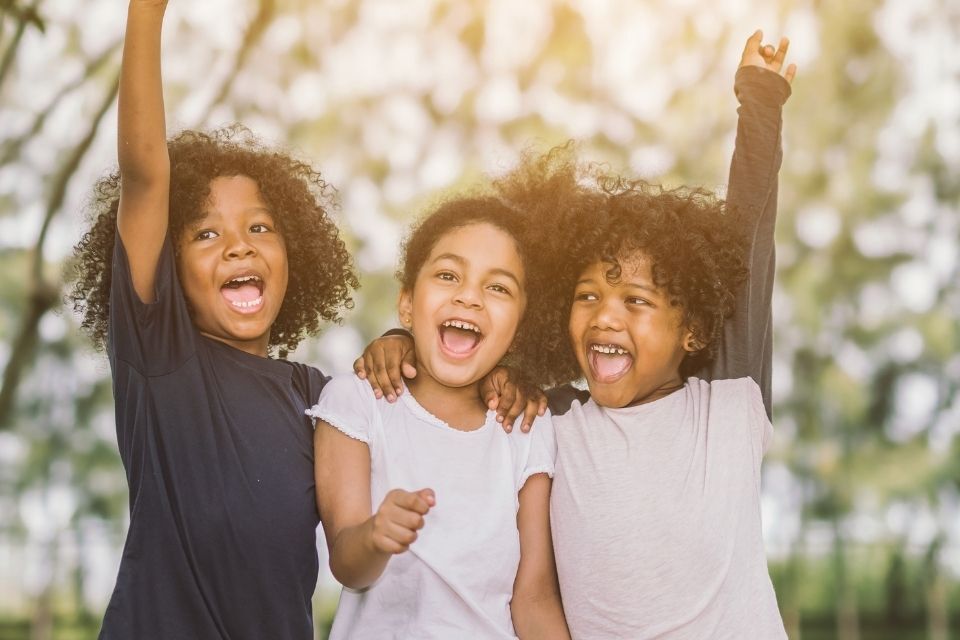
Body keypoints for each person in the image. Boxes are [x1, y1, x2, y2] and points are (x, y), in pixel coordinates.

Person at [357, 30, 796, 639]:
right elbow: (467, 340)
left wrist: (761, 101)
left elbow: (750, 231)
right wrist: (398, 340)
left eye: (636, 300)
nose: (604, 316)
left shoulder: (727, 400)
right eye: (586, 295)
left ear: (693, 328)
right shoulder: (551, 420)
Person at [68, 2, 412, 637]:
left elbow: (361, 518)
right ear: (168, 268)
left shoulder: (316, 396)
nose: (239, 245)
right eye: (205, 233)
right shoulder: (160, 355)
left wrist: (399, 341)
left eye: (260, 227)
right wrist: (146, 15)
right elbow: (147, 178)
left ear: (295, 254)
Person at [310, 196, 570, 639]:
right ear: (407, 304)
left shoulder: (527, 427)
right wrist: (375, 535)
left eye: (498, 287)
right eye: (448, 275)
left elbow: (534, 597)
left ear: (520, 328)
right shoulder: (357, 401)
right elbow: (347, 565)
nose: (469, 296)